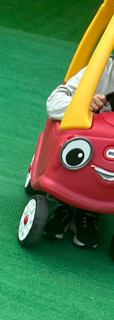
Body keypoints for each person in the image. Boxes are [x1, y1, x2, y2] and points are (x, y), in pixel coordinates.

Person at [44, 57, 114, 248]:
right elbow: (54, 103)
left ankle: (91, 210)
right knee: (78, 149)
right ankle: (64, 204)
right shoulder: (102, 69)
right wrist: (83, 103)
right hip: (84, 151)